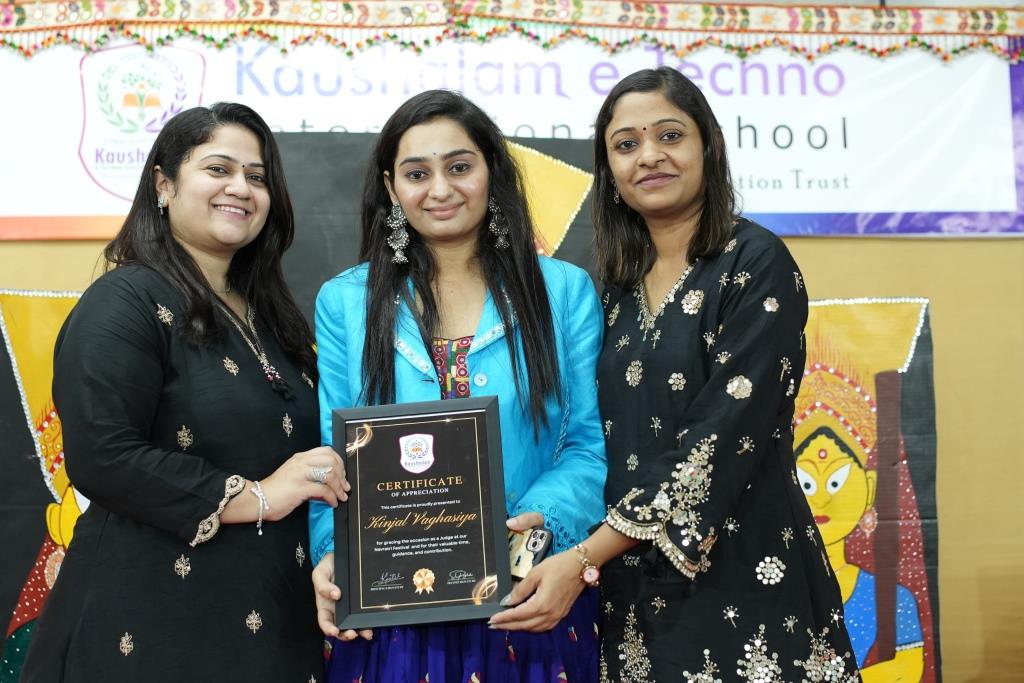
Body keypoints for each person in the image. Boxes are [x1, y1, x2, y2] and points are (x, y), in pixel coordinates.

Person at [489, 67, 862, 682]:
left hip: (747, 571)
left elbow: (719, 439)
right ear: (609, 170)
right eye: (626, 144)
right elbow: (589, 436)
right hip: (628, 585)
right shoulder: (612, 288)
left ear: (707, 146)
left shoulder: (755, 262)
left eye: (669, 135)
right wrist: (551, 524)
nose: (649, 156)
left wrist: (585, 556)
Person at [21, 102, 345, 682]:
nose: (240, 188)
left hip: (272, 618)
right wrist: (259, 497)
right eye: (218, 169)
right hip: (153, 623)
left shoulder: (273, 318)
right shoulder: (125, 302)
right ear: (164, 185)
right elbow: (103, 457)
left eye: (257, 176)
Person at [309, 89, 607, 682]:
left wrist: (539, 524)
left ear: (491, 172)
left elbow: (586, 444)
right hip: (392, 607)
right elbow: (331, 455)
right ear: (391, 187)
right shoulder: (345, 302)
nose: (440, 189)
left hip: (528, 591)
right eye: (417, 174)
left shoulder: (562, 291)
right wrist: (332, 553)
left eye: (459, 167)